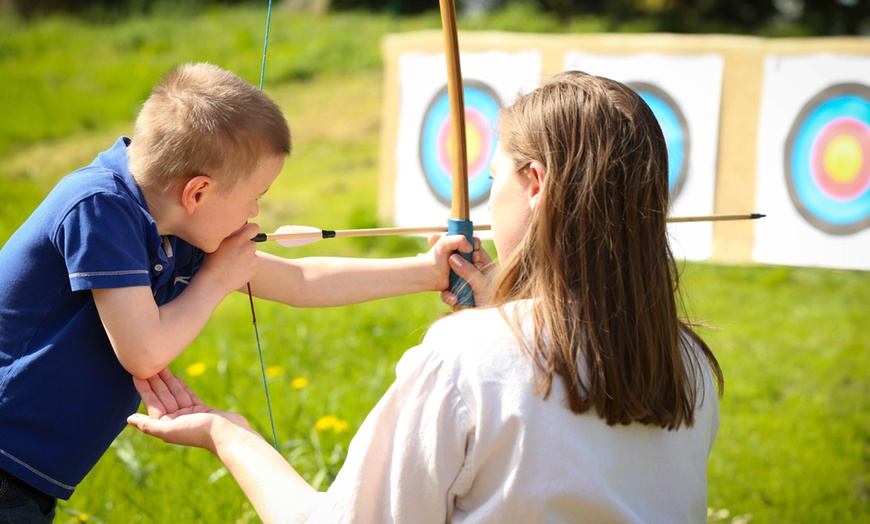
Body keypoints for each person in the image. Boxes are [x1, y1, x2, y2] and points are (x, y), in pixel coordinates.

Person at [127, 70, 725, 523]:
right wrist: (499, 314)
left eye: (495, 180)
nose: (489, 200)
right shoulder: (687, 364)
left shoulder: (468, 357)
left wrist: (229, 434)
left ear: (535, 184)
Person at [0, 62, 475, 523]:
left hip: (28, 478)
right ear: (198, 193)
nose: (254, 215)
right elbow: (143, 351)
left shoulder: (172, 222)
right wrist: (216, 279)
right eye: (255, 197)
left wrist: (426, 272)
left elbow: (298, 281)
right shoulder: (101, 209)